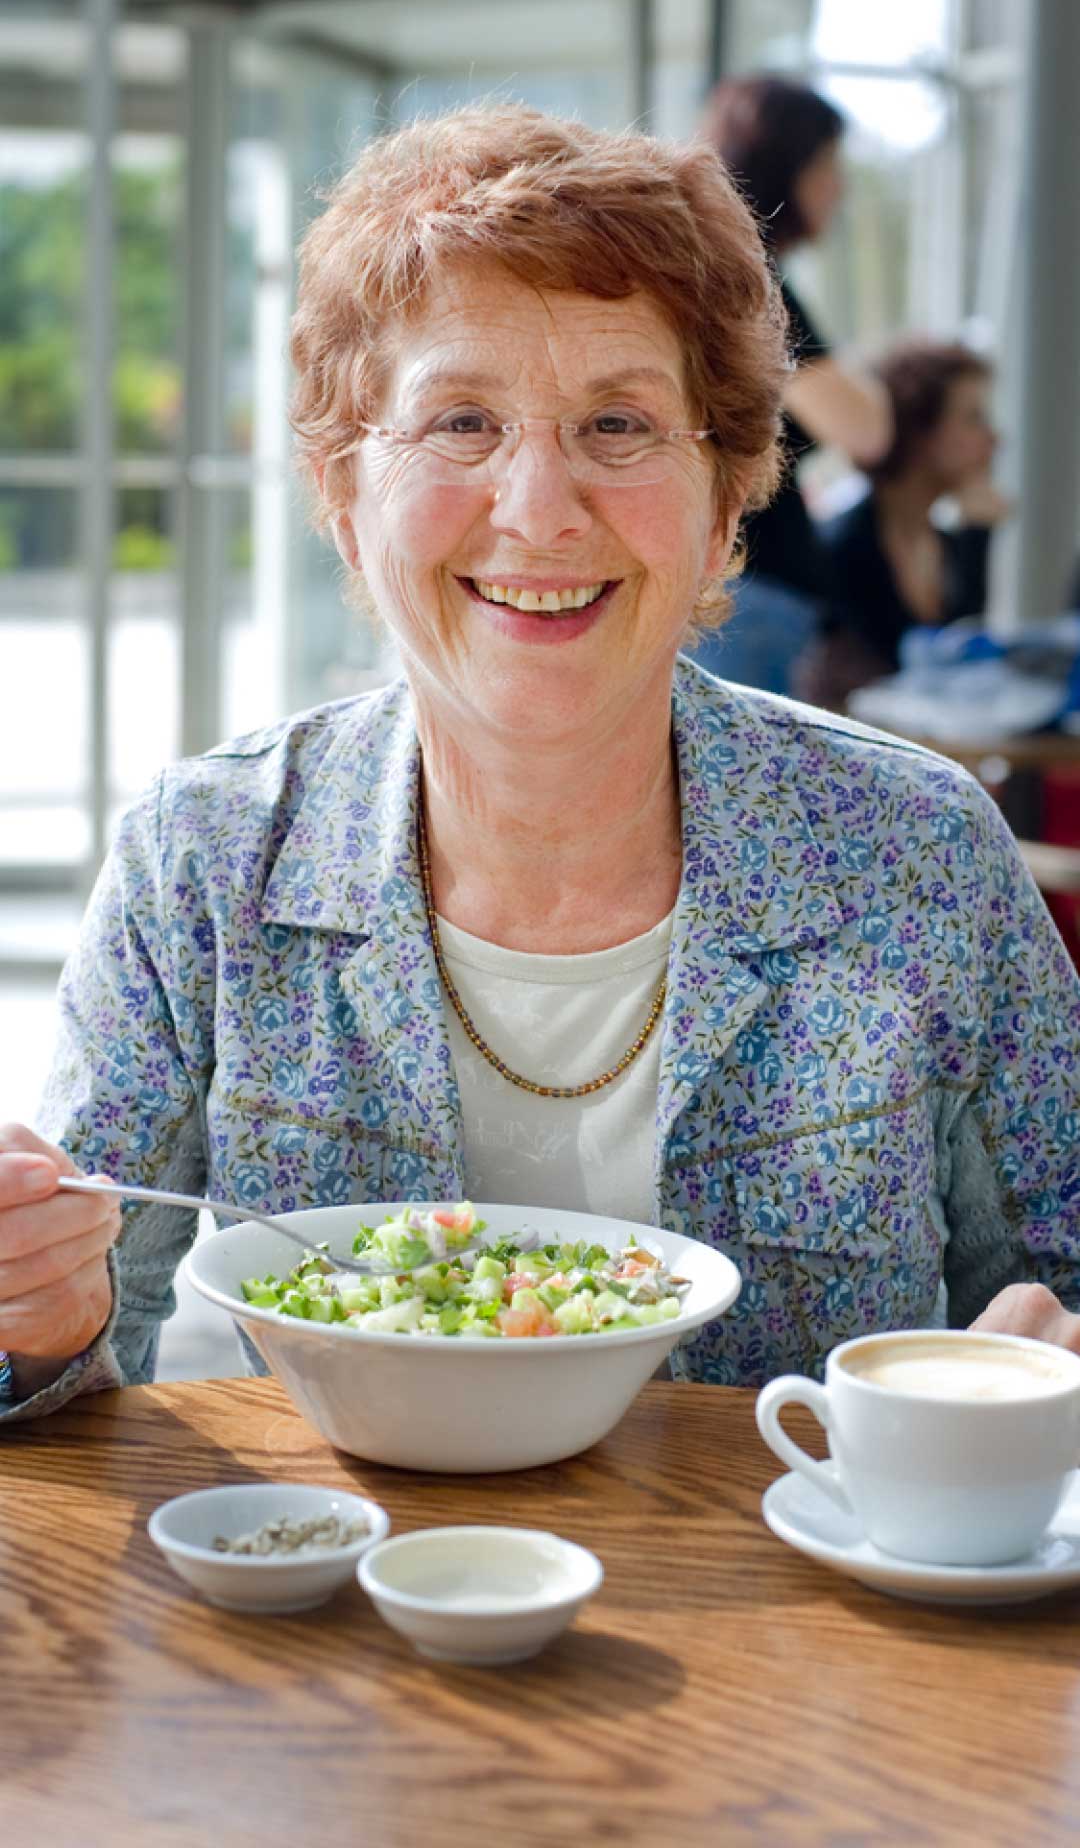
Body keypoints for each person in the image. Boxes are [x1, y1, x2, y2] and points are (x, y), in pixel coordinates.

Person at [1, 105, 1077, 1421]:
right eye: (460, 420)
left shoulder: (917, 852)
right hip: (312, 1609)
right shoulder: (206, 858)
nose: (539, 509)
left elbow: (1054, 1287)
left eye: (618, 425)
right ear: (346, 490)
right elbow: (71, 1371)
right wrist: (39, 1327)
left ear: (730, 490)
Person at [689, 74, 893, 695]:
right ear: (785, 166)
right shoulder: (749, 282)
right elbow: (865, 430)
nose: (839, 186)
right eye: (827, 163)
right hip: (745, 596)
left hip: (749, 593)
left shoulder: (734, 276)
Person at [802, 339, 1011, 711]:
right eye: (973, 417)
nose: (995, 439)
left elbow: (962, 664)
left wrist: (978, 536)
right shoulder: (842, 544)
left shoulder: (947, 543)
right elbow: (901, 672)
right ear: (919, 431)